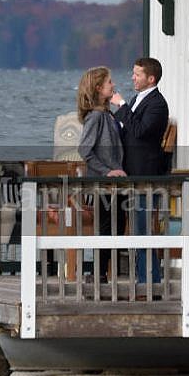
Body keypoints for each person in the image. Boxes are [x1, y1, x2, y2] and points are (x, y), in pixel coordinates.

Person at [111, 57, 169, 292]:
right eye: (133, 73)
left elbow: (140, 132)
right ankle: (143, 280)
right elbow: (124, 129)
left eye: (137, 74)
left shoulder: (157, 104)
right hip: (129, 174)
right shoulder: (138, 99)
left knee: (143, 230)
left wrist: (122, 106)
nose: (133, 77)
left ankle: (151, 282)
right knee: (136, 229)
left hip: (145, 175)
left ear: (150, 78)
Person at [77, 66, 126, 281]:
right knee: (107, 228)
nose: (113, 85)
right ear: (98, 88)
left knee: (117, 225)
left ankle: (104, 274)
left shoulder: (107, 115)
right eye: (109, 83)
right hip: (105, 184)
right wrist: (107, 172)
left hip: (116, 183)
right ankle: (98, 274)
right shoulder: (95, 117)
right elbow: (84, 149)